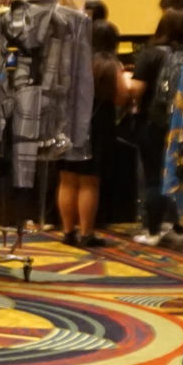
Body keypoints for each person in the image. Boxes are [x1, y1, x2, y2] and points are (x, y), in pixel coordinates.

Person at [58, 20, 128, 247]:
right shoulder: (109, 65)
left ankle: (68, 232)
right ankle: (86, 233)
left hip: (69, 125)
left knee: (67, 180)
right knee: (89, 183)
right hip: (97, 127)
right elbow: (121, 96)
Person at [131, 5, 183, 243]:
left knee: (153, 175)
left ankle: (152, 230)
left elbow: (137, 89)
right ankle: (176, 225)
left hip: (152, 120)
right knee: (179, 174)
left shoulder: (151, 54)